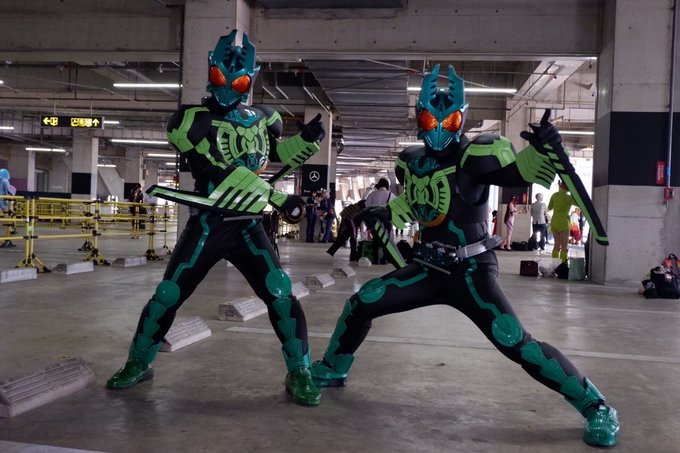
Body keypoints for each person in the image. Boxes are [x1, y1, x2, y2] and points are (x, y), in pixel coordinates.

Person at [310, 65, 619, 447]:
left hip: (472, 269)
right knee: (363, 302)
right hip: (428, 267)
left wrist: (541, 150)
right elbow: (420, 205)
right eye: (430, 118)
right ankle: (333, 366)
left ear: (461, 118)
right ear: (419, 118)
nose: (439, 127)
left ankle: (596, 406)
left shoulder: (477, 155)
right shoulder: (410, 161)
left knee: (513, 339)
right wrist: (387, 213)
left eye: (449, 119)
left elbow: (516, 174)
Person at [106, 30, 326, 407]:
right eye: (221, 77)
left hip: (248, 226)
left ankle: (300, 369)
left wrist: (306, 141)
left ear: (249, 81)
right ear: (211, 73)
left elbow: (277, 154)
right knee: (168, 294)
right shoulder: (193, 119)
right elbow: (220, 172)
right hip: (209, 223)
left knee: (280, 293)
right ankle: (138, 361)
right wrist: (275, 197)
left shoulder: (263, 118)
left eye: (237, 81)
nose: (227, 87)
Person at [364, 177, 395, 264]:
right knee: (387, 240)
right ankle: (384, 259)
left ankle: (375, 259)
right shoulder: (391, 195)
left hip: (375, 221)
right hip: (387, 221)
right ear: (387, 186)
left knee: (375, 239)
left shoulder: (373, 194)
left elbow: (367, 205)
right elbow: (394, 209)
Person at [548, 181, 576, 262]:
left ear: (560, 186)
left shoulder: (554, 195)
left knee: (556, 245)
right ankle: (563, 265)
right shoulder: (568, 197)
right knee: (564, 246)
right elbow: (579, 204)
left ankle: (554, 264)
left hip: (554, 221)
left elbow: (549, 207)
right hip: (563, 222)